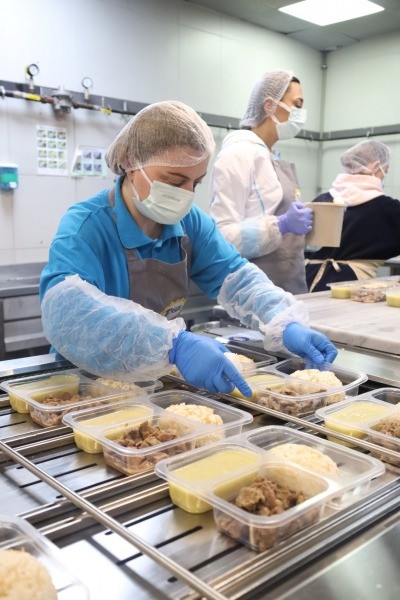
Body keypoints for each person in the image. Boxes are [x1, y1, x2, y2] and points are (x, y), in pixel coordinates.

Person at [40, 101, 337, 399]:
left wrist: (283, 321)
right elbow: (67, 315)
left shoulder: (190, 223)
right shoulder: (85, 228)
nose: (185, 195)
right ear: (131, 162)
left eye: (195, 183)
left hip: (154, 384)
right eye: (174, 181)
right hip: (83, 386)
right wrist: (174, 345)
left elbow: (237, 279)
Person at [209, 69, 313, 295]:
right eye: (297, 104)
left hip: (289, 289)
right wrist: (281, 224)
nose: (301, 113)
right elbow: (223, 238)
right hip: (254, 296)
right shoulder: (237, 155)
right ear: (269, 106)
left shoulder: (268, 156)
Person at [305, 139, 400, 292]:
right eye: (385, 170)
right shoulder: (387, 208)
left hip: (308, 280)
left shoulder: (321, 200)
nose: (384, 176)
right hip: (351, 286)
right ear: (375, 166)